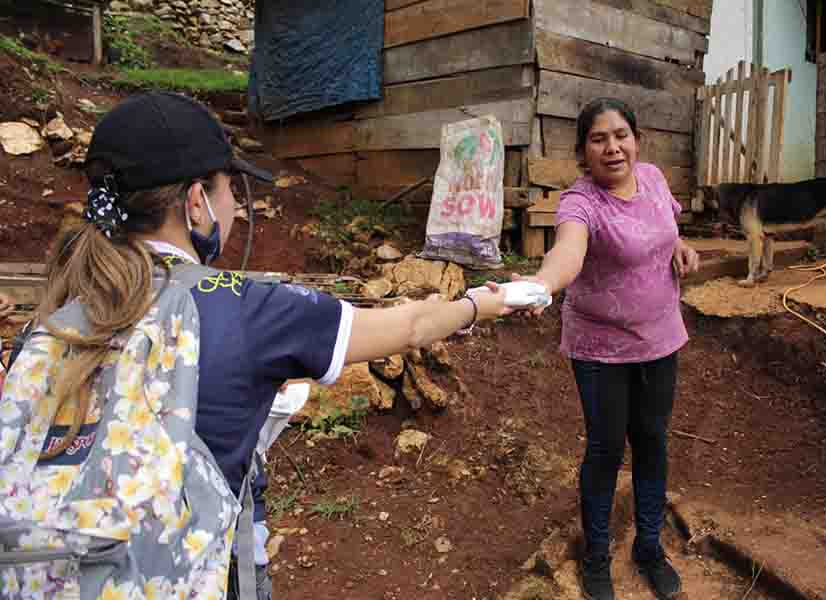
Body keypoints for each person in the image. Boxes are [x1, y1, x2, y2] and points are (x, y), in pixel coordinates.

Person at [3, 91, 510, 599]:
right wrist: (479, 305)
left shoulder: (50, 322)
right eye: (230, 191)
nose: (237, 209)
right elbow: (415, 324)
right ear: (196, 202)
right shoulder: (253, 310)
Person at [515, 98, 699, 600]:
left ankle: (648, 546)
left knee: (653, 440)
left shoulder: (655, 178)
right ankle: (597, 556)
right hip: (601, 348)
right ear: (583, 151)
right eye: (599, 139)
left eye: (621, 135)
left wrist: (679, 247)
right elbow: (567, 252)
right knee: (605, 449)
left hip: (661, 337)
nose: (613, 147)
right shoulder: (581, 203)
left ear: (636, 139)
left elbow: (666, 227)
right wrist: (541, 286)